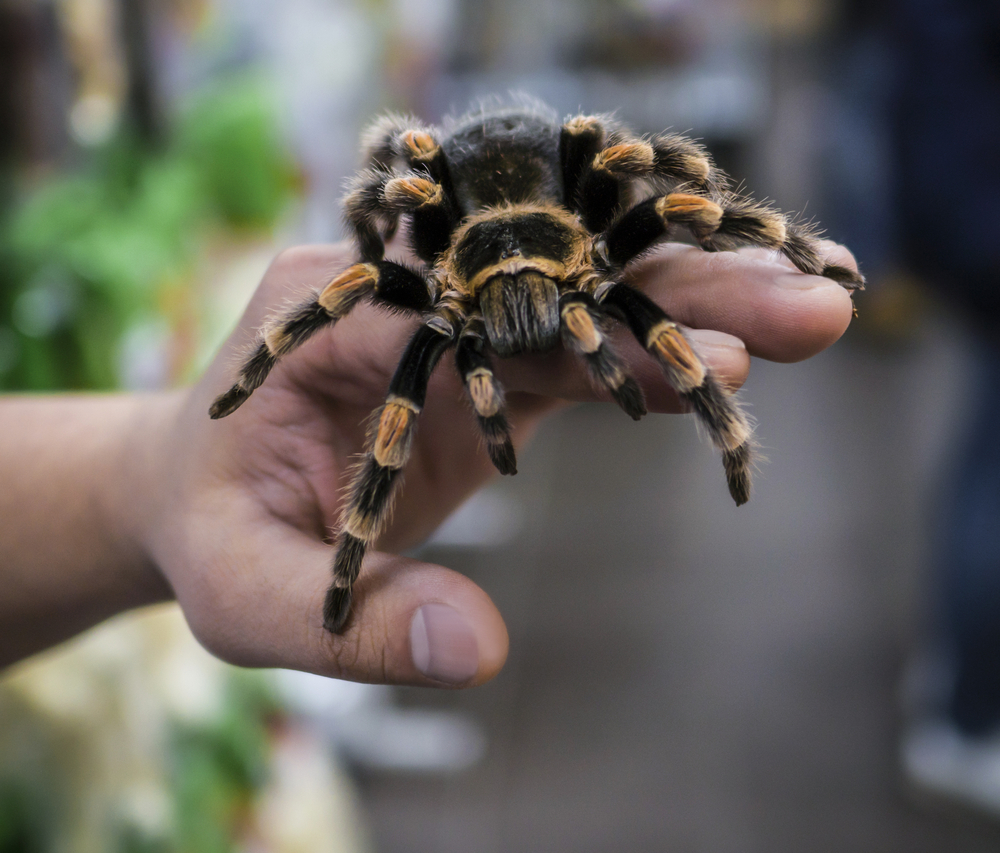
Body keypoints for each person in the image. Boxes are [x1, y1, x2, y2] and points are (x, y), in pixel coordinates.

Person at [0, 239, 858, 685]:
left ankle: (733, 424)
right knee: (398, 395)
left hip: (555, 243)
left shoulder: (596, 254)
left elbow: (646, 167)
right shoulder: (438, 288)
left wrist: (765, 233)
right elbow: (386, 203)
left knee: (661, 299)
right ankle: (349, 551)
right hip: (467, 261)